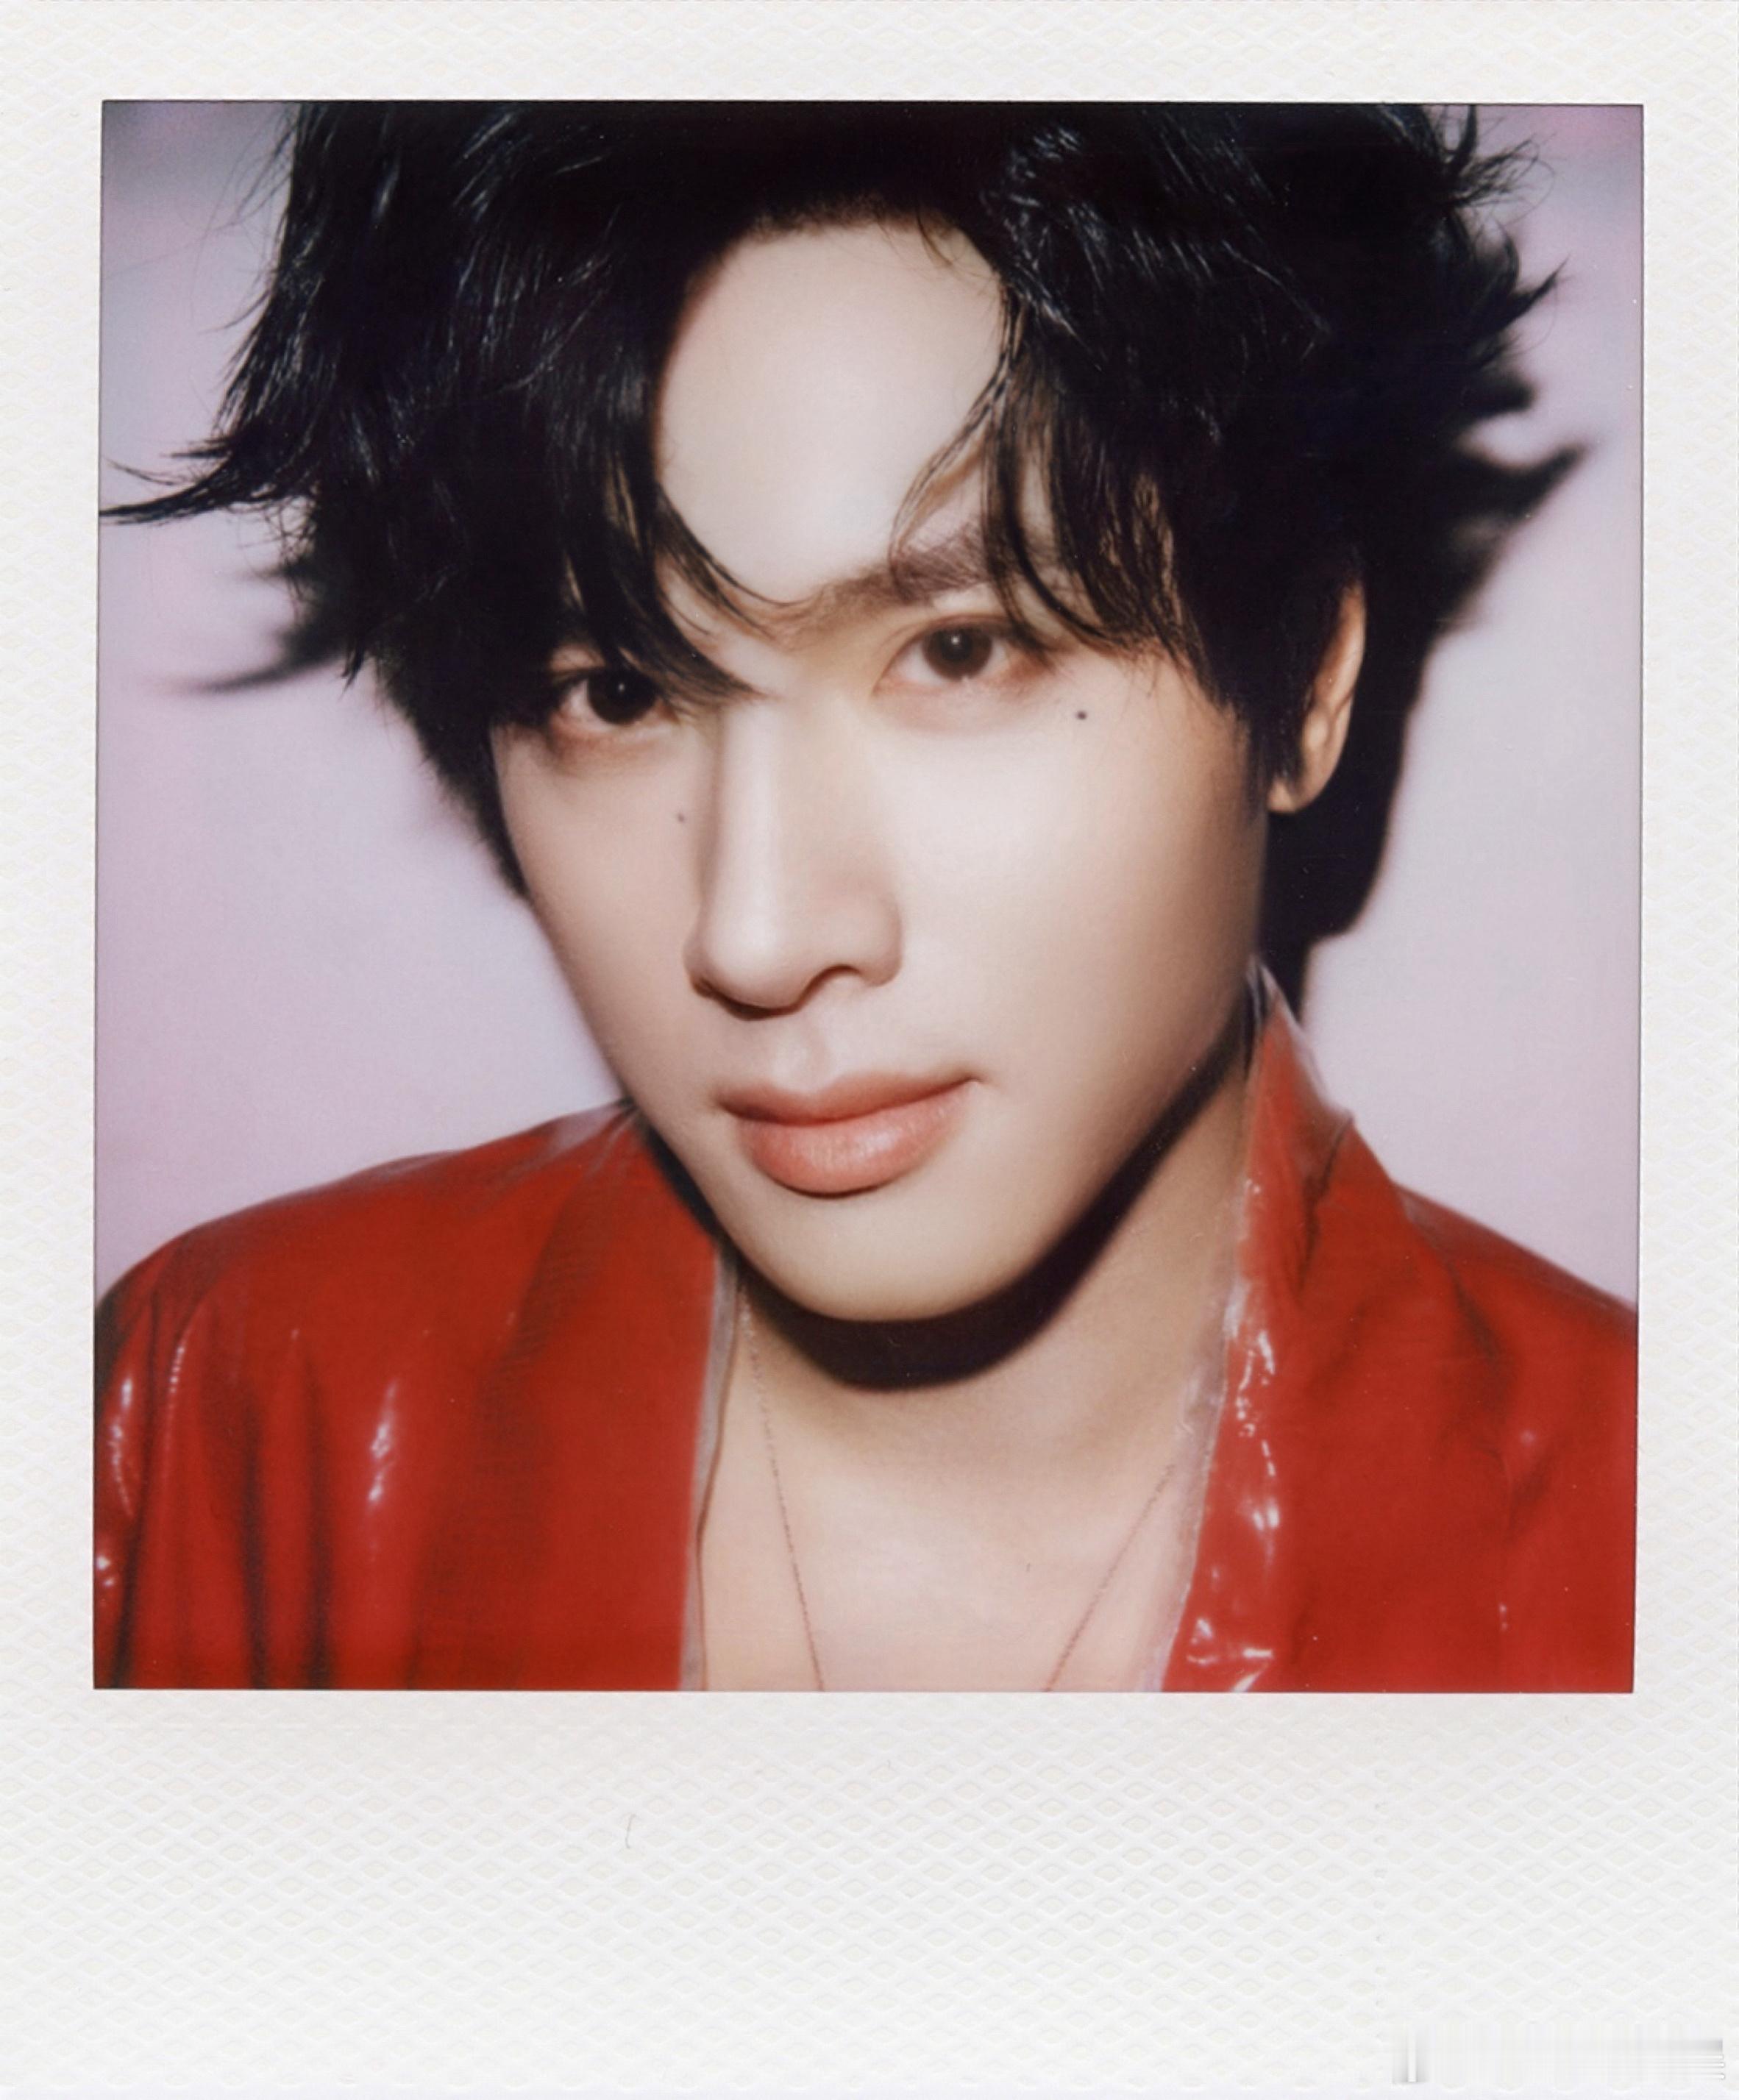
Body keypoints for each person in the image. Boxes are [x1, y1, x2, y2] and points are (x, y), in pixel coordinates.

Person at [95, 102, 1635, 1693]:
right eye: (617, 689)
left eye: (962, 650)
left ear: (1305, 677)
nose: (755, 937)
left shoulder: (1650, 1550)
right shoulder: (219, 1416)